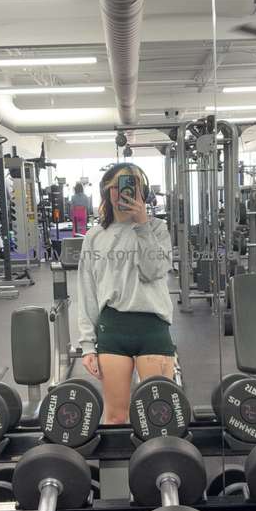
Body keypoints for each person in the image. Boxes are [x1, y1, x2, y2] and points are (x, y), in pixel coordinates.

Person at [77, 163, 175, 424]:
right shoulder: (95, 236)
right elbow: (87, 291)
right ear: (108, 192)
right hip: (113, 328)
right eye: (118, 186)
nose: (125, 192)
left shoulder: (157, 228)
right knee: (116, 417)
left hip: (153, 327)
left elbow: (153, 271)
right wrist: (87, 345)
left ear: (143, 190)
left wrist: (142, 224)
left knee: (159, 419)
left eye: (133, 185)